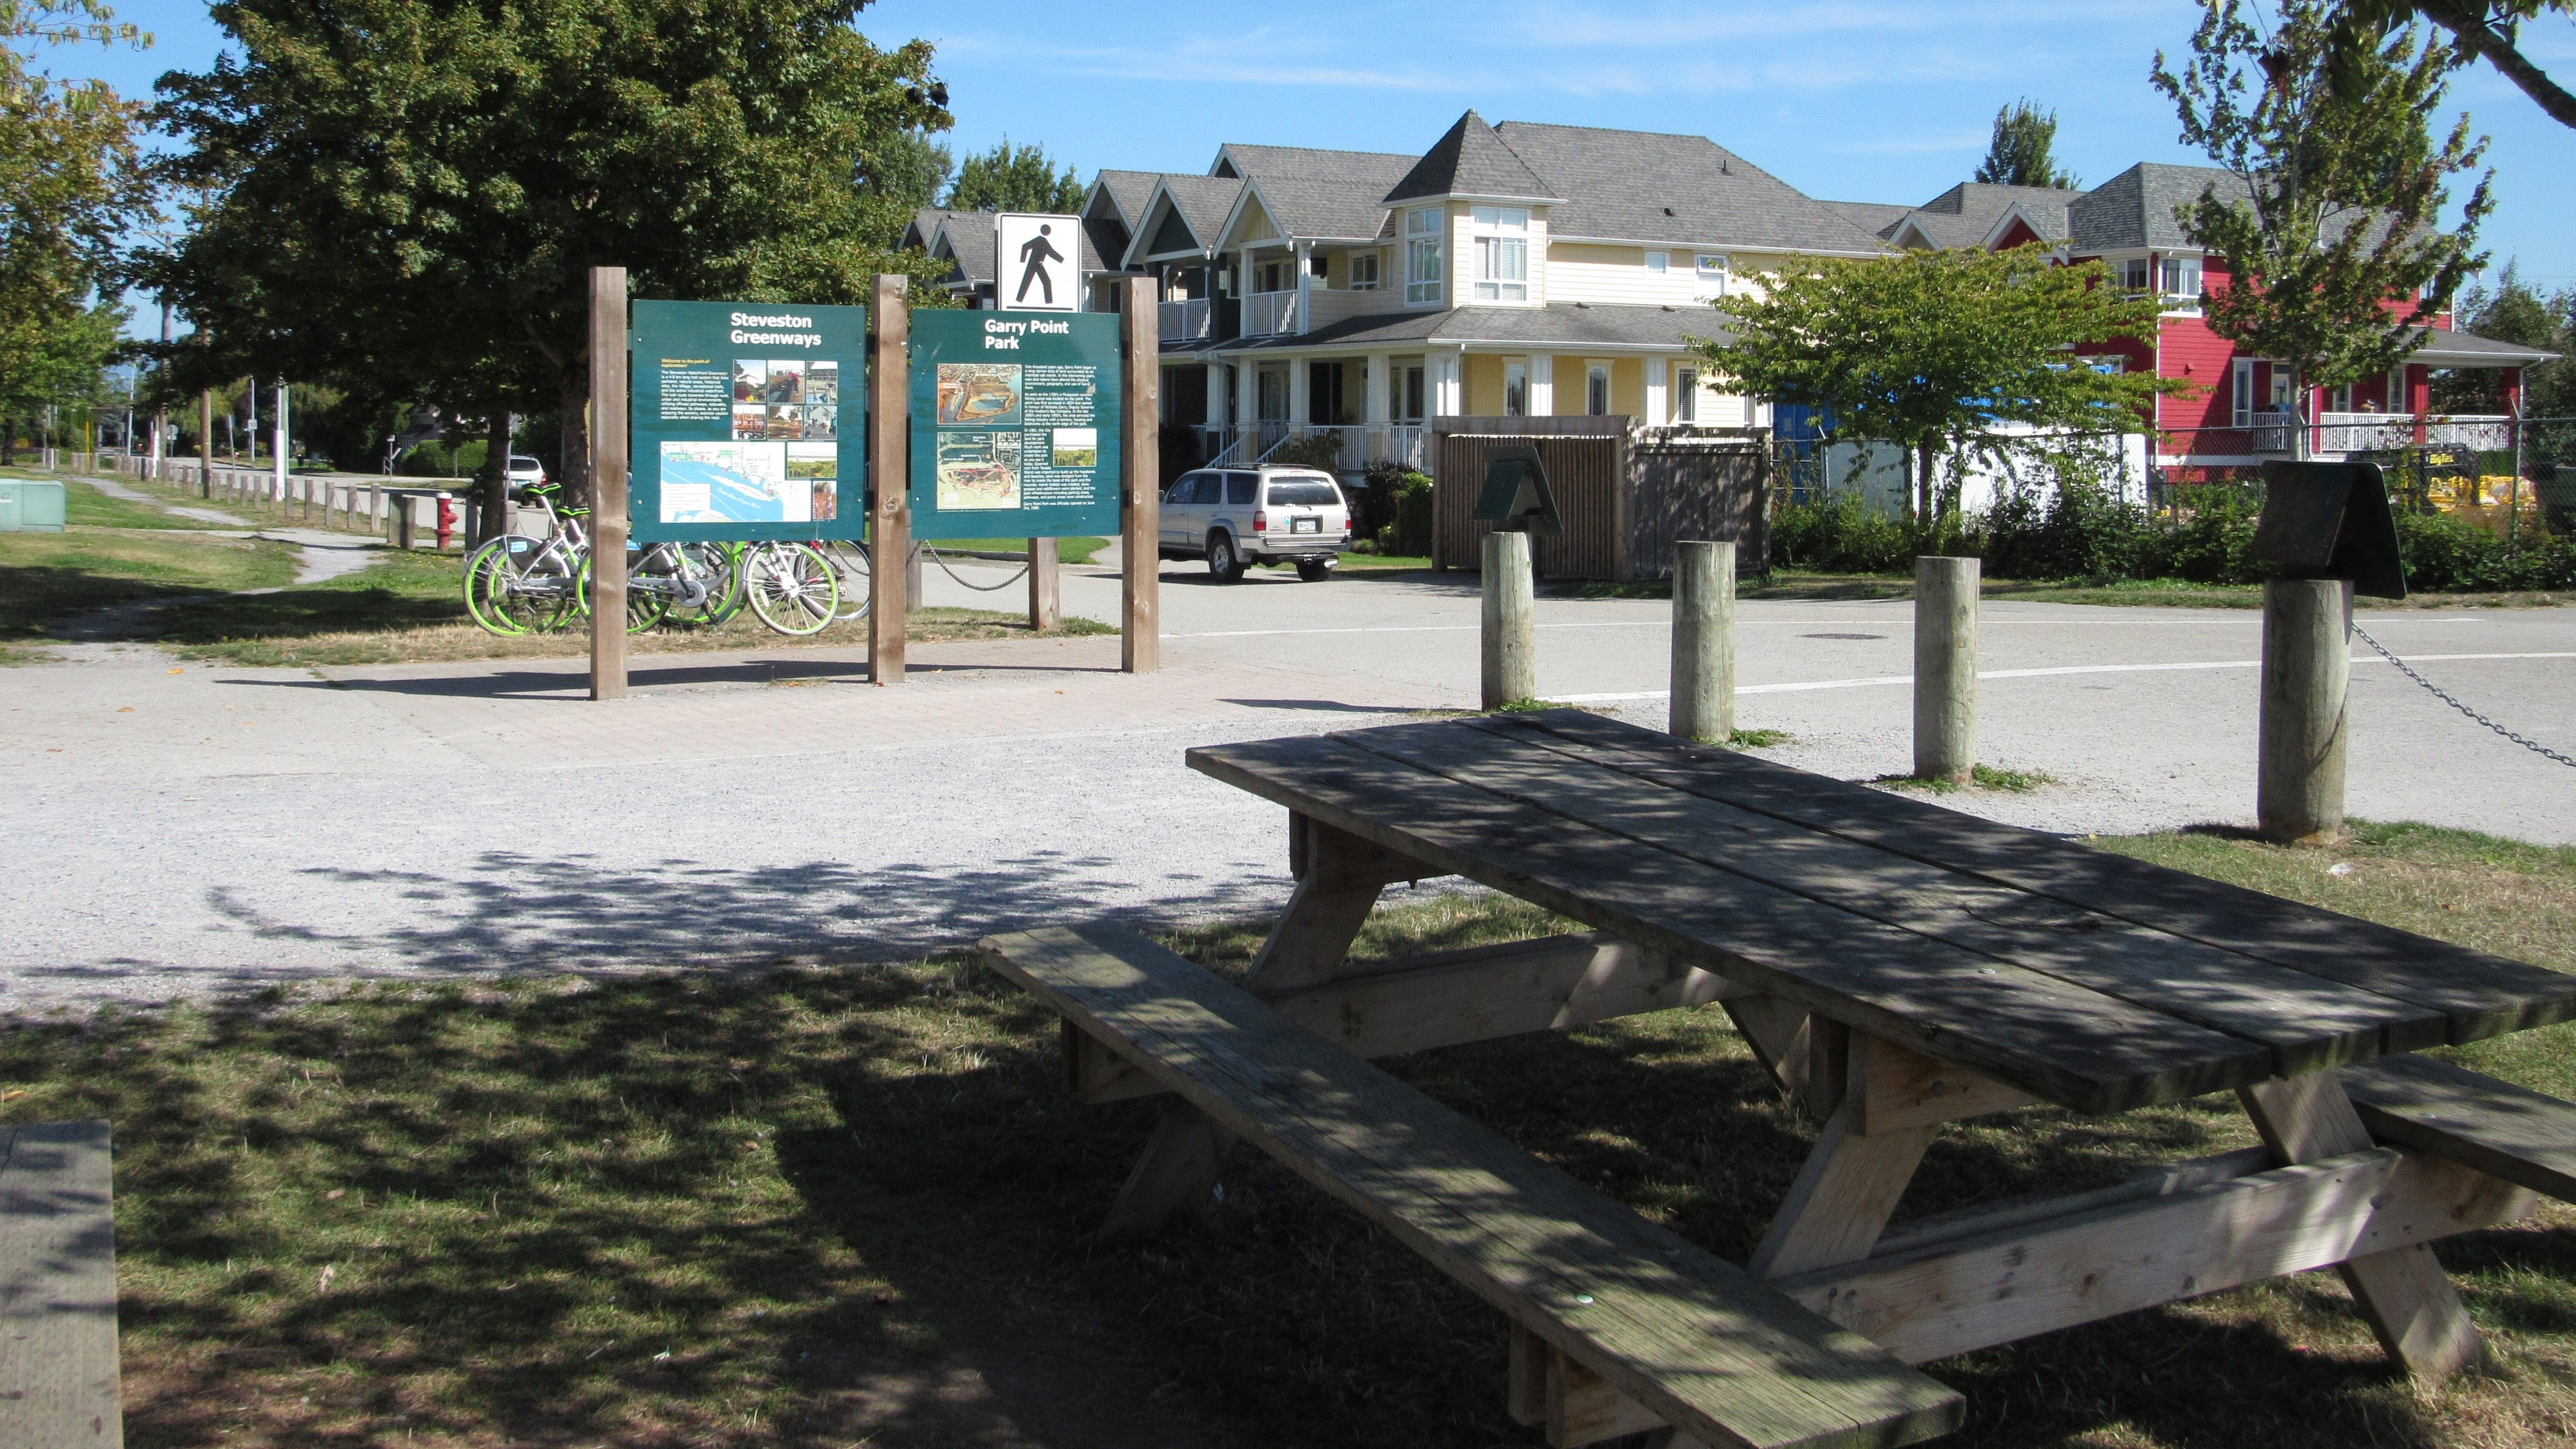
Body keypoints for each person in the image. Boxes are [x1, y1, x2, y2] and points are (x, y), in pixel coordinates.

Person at [1016, 224, 1064, 306]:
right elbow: (1025, 246)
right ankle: (1019, 301)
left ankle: (1049, 303)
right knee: (1027, 282)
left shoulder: (1044, 241)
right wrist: (1022, 261)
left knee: (1046, 282)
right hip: (1033, 264)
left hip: (1038, 265)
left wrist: (1062, 260)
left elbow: (1051, 252)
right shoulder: (1040, 240)